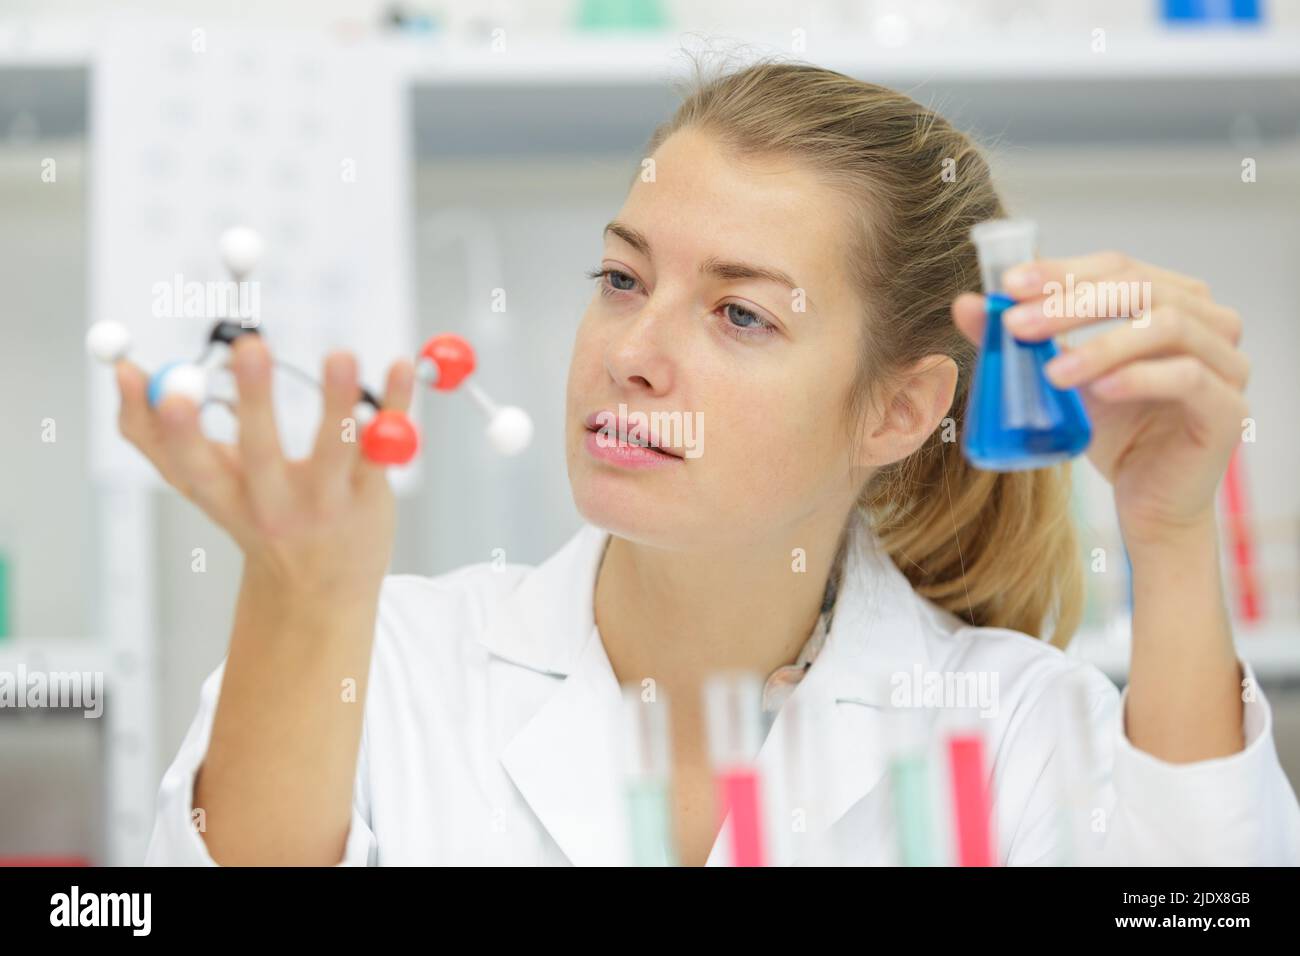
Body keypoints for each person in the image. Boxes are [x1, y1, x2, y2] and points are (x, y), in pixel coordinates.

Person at [133, 58, 1300, 866]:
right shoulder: (382, 668)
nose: (629, 355)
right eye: (623, 279)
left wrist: (1170, 537)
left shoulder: (1007, 728)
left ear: (897, 412)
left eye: (739, 315)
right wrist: (305, 596)